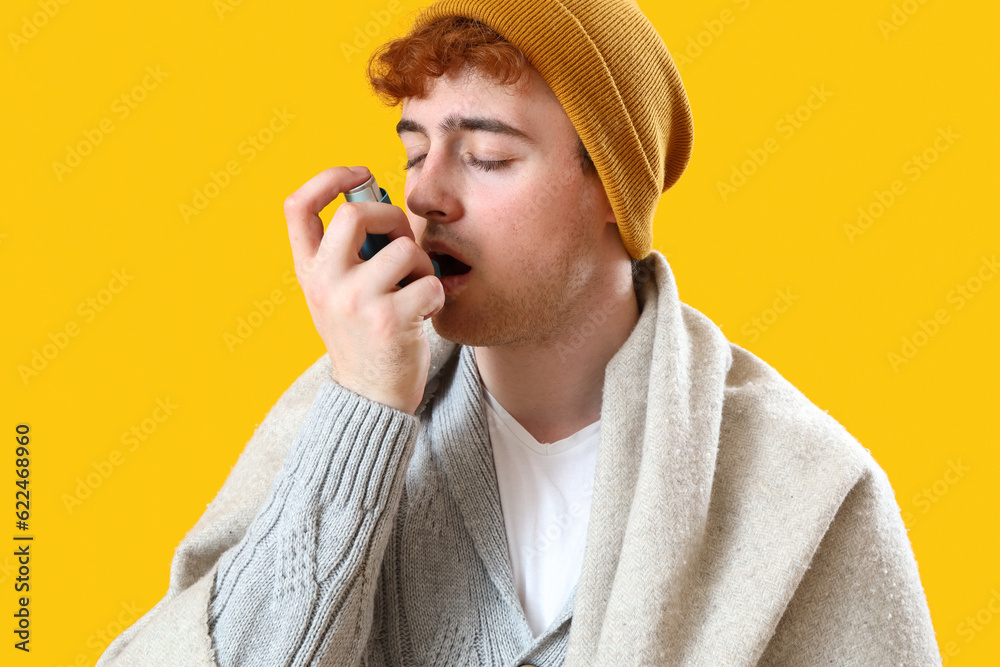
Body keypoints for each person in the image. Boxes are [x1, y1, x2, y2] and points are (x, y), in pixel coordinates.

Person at [98, 1, 942, 665]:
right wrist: (361, 412)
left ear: (610, 190)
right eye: (414, 150)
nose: (426, 195)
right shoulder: (337, 411)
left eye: (487, 157)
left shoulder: (806, 490)